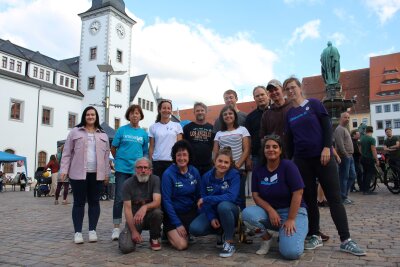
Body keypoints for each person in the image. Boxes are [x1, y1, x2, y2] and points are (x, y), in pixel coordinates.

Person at [284, 77, 366, 256]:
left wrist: (327, 147)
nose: (290, 91)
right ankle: (315, 234)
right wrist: (289, 162)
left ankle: (346, 239)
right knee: (310, 200)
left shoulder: (313, 104)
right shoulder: (289, 114)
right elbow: (289, 141)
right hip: (302, 161)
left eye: (293, 87)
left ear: (299, 88)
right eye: (287, 89)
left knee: (334, 198)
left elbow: (327, 126)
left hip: (323, 157)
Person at [242, 135, 308, 260]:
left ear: (281, 150)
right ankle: (266, 238)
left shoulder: (288, 166)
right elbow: (255, 196)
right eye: (267, 147)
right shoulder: (258, 169)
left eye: (275, 147)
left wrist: (290, 219)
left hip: (293, 212)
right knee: (247, 214)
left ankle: (298, 231)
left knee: (291, 253)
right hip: (271, 213)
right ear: (263, 150)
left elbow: (298, 192)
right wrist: (270, 210)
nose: (271, 149)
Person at [60, 106, 110, 244]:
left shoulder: (103, 134)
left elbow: (106, 156)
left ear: (96, 117)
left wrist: (107, 173)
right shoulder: (75, 132)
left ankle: (92, 230)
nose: (90, 117)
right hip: (78, 174)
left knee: (94, 202)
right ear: (84, 116)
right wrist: (64, 170)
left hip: (97, 174)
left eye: (93, 115)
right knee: (78, 203)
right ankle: (78, 232)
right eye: (88, 114)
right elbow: (67, 153)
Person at [189, 147, 241, 258]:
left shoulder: (234, 175)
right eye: (220, 161)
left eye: (226, 162)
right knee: (195, 229)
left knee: (223, 206)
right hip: (213, 210)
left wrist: (207, 199)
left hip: (231, 210)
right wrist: (211, 217)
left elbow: (231, 197)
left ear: (230, 163)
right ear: (214, 161)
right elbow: (204, 200)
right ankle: (220, 231)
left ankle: (229, 241)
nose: (222, 164)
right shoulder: (206, 177)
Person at [111, 104, 149, 241]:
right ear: (129, 115)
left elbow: (145, 152)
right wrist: (119, 160)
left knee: (136, 199)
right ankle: (116, 227)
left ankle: (132, 225)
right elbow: (113, 148)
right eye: (132, 113)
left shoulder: (143, 134)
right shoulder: (121, 130)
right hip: (122, 169)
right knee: (119, 198)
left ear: (140, 116)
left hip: (137, 171)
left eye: (137, 113)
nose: (135, 115)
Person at [162, 140, 201, 250]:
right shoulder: (168, 174)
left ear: (189, 156)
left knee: (200, 227)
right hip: (173, 214)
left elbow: (199, 195)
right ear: (174, 156)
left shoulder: (194, 172)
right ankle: (166, 231)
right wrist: (177, 223)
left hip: (190, 212)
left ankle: (188, 231)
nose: (182, 158)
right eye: (178, 155)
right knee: (182, 245)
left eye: (184, 154)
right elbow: (166, 201)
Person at [119, 158, 163, 253]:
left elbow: (157, 201)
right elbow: (127, 209)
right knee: (126, 248)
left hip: (151, 217)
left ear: (150, 170)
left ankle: (154, 238)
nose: (143, 170)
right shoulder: (127, 184)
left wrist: (144, 207)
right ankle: (125, 234)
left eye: (145, 168)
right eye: (139, 167)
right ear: (135, 170)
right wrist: (134, 231)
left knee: (157, 212)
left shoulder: (155, 179)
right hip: (135, 220)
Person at [213, 105, 250, 210]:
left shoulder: (242, 130)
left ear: (235, 116)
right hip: (223, 169)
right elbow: (215, 152)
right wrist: (217, 166)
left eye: (230, 113)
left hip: (239, 169)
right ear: (222, 118)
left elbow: (246, 149)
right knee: (225, 196)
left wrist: (237, 165)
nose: (228, 116)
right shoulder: (219, 133)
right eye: (225, 114)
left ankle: (242, 222)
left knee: (240, 197)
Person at [149, 100, 183, 178]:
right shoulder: (153, 127)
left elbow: (180, 146)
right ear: (159, 110)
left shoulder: (177, 126)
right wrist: (150, 163)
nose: (166, 110)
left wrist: (179, 161)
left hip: (172, 162)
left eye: (168, 108)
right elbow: (151, 147)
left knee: (171, 187)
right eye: (164, 108)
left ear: (171, 111)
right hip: (157, 162)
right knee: (157, 187)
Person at [259, 79, 293, 156]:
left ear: (282, 90)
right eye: (271, 91)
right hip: (276, 155)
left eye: (276, 89)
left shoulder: (293, 106)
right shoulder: (266, 114)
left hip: (295, 153)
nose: (274, 92)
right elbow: (262, 136)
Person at [183, 102, 214, 175]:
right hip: (191, 165)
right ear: (194, 113)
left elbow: (215, 147)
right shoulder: (187, 128)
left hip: (208, 165)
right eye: (197, 111)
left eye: (202, 110)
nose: (200, 112)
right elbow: (183, 146)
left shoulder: (212, 128)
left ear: (206, 112)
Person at [333, 112, 356, 204]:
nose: (347, 119)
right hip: (345, 156)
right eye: (345, 117)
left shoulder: (345, 129)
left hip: (350, 156)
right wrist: (345, 154)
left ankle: (344, 195)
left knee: (352, 175)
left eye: (348, 117)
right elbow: (339, 143)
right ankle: (342, 197)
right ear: (340, 118)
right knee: (344, 177)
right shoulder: (339, 129)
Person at [360, 126, 379, 195]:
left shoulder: (362, 138)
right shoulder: (372, 139)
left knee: (365, 173)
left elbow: (360, 149)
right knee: (369, 174)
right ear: (372, 131)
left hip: (363, 158)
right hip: (369, 158)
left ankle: (364, 189)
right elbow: (373, 150)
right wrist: (377, 160)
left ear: (366, 131)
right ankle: (367, 190)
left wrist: (363, 154)